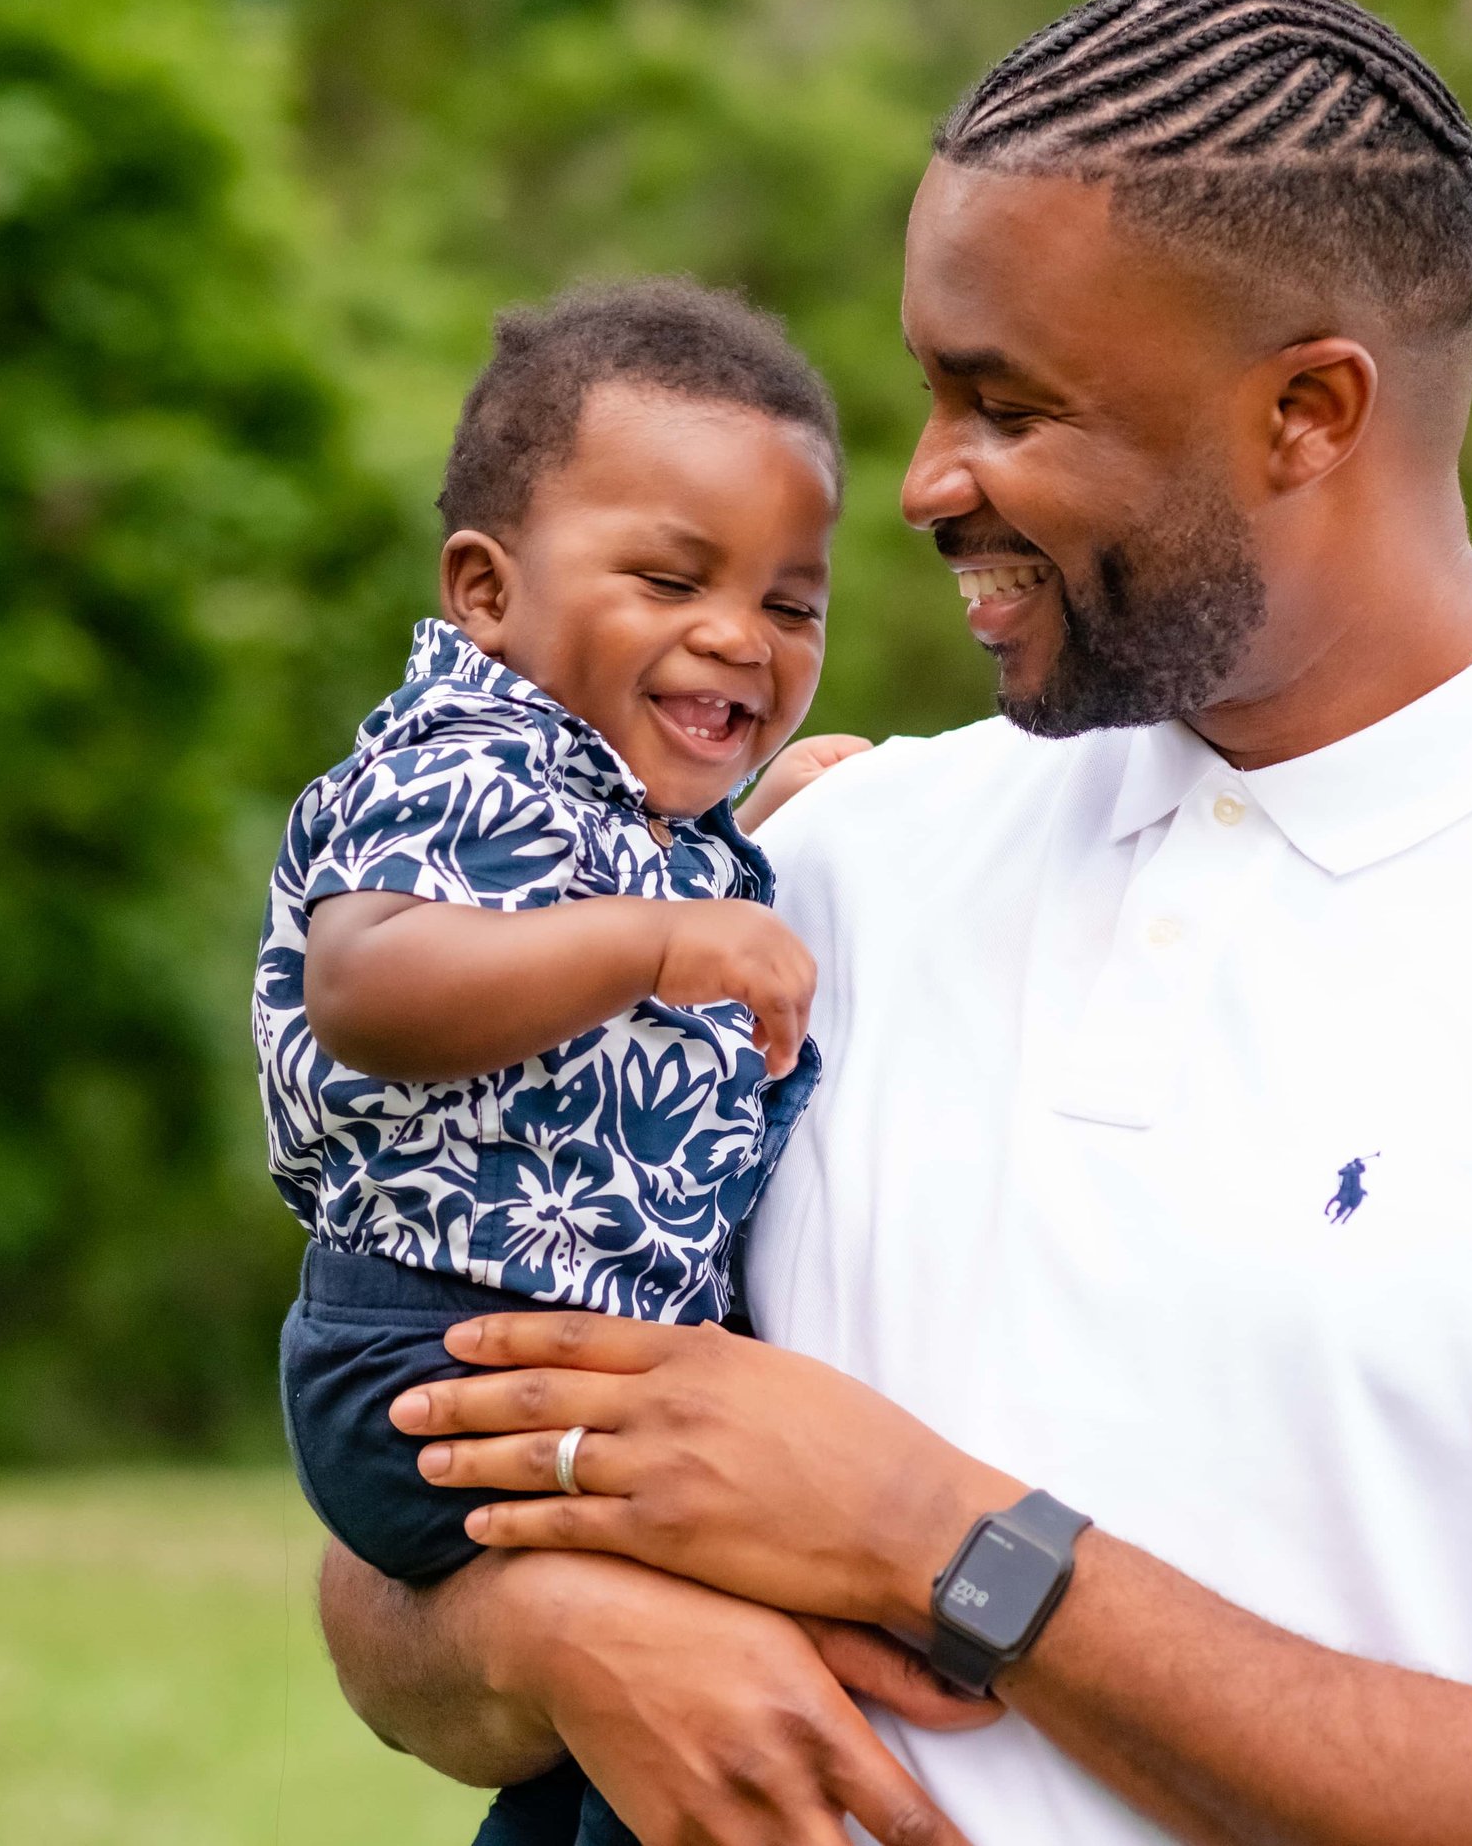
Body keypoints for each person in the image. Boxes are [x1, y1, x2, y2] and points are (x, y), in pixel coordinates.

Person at [315, 0, 1472, 1846]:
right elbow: (383, 1564)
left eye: (1006, 402)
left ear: (1306, 411)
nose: (925, 481)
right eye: (928, 386)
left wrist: (945, 1545)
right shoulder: (809, 874)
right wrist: (559, 1630)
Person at [252, 278, 972, 1846]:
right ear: (485, 591)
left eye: (793, 606)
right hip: (432, 1360)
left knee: (637, 1735)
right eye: (669, 577)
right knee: (729, 1593)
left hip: (549, 1357)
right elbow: (371, 981)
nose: (739, 633)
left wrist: (757, 828)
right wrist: (658, 936)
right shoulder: (462, 762)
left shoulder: (638, 813)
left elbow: (610, 960)